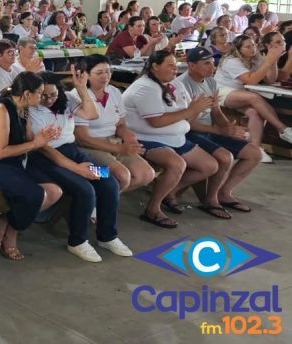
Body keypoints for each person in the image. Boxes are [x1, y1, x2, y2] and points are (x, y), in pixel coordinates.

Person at [29, 70, 132, 262]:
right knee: (84, 189)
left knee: (109, 182)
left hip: (73, 152)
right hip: (47, 158)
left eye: (53, 94)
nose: (48, 99)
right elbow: (44, 149)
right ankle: (77, 242)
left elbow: (92, 114)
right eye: (43, 95)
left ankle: (108, 236)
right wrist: (77, 169)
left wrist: (82, 89)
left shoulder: (67, 98)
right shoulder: (32, 109)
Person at [0, 72, 63, 260]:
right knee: (34, 194)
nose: (43, 97)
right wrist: (36, 143)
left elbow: (27, 140)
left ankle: (6, 220)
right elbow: (0, 152)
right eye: (40, 93)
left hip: (12, 164)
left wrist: (45, 136)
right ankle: (11, 235)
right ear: (27, 93)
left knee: (55, 192)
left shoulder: (25, 109)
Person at [123, 50, 218, 229]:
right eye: (170, 66)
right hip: (146, 138)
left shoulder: (172, 85)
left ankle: (167, 190)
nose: (175, 70)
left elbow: (186, 118)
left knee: (210, 166)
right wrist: (192, 109)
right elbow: (156, 122)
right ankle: (153, 207)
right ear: (155, 66)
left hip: (175, 137)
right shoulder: (145, 87)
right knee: (175, 165)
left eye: (176, 66)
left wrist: (197, 108)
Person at [175, 48, 263, 218]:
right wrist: (218, 130)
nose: (212, 67)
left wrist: (227, 128)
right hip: (189, 133)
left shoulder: (210, 82)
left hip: (208, 131)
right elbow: (186, 124)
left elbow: (216, 112)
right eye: (206, 63)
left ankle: (225, 193)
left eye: (213, 63)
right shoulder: (182, 85)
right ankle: (210, 199)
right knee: (224, 157)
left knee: (254, 153)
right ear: (191, 65)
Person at [68, 55, 154, 193]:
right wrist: (118, 149)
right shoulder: (76, 95)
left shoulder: (113, 91)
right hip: (88, 149)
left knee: (146, 174)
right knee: (120, 176)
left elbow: (120, 124)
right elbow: (82, 138)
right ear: (86, 75)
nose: (105, 76)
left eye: (108, 71)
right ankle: (95, 203)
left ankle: (101, 201)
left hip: (114, 143)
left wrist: (128, 137)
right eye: (99, 73)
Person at [215, 35, 292, 143]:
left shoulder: (256, 57)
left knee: (255, 112)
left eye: (253, 45)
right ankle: (283, 129)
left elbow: (270, 80)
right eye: (248, 47)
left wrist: (273, 60)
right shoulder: (231, 61)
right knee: (254, 97)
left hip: (241, 93)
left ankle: (255, 147)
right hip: (221, 91)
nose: (253, 49)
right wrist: (268, 62)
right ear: (239, 49)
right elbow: (250, 81)